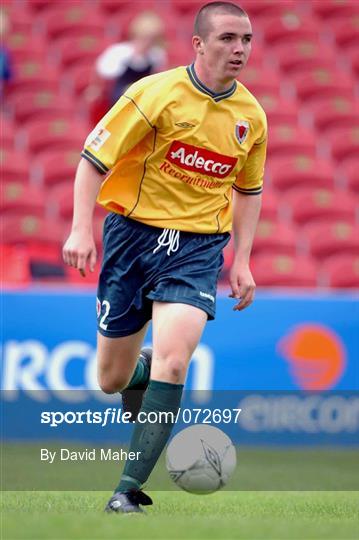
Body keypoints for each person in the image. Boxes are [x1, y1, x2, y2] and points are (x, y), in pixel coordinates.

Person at [63, 1, 267, 514]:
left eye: (245, 39)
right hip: (133, 238)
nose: (239, 48)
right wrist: (79, 229)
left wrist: (241, 260)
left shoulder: (251, 117)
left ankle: (125, 490)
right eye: (226, 38)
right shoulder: (153, 94)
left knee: (177, 361)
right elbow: (92, 160)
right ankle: (142, 369)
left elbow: (249, 190)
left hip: (198, 248)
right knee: (111, 379)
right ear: (198, 44)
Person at [87, 10, 167, 123]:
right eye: (145, 37)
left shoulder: (156, 56)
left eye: (152, 38)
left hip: (141, 107)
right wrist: (96, 88)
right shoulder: (120, 53)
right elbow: (100, 73)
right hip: (117, 105)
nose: (148, 42)